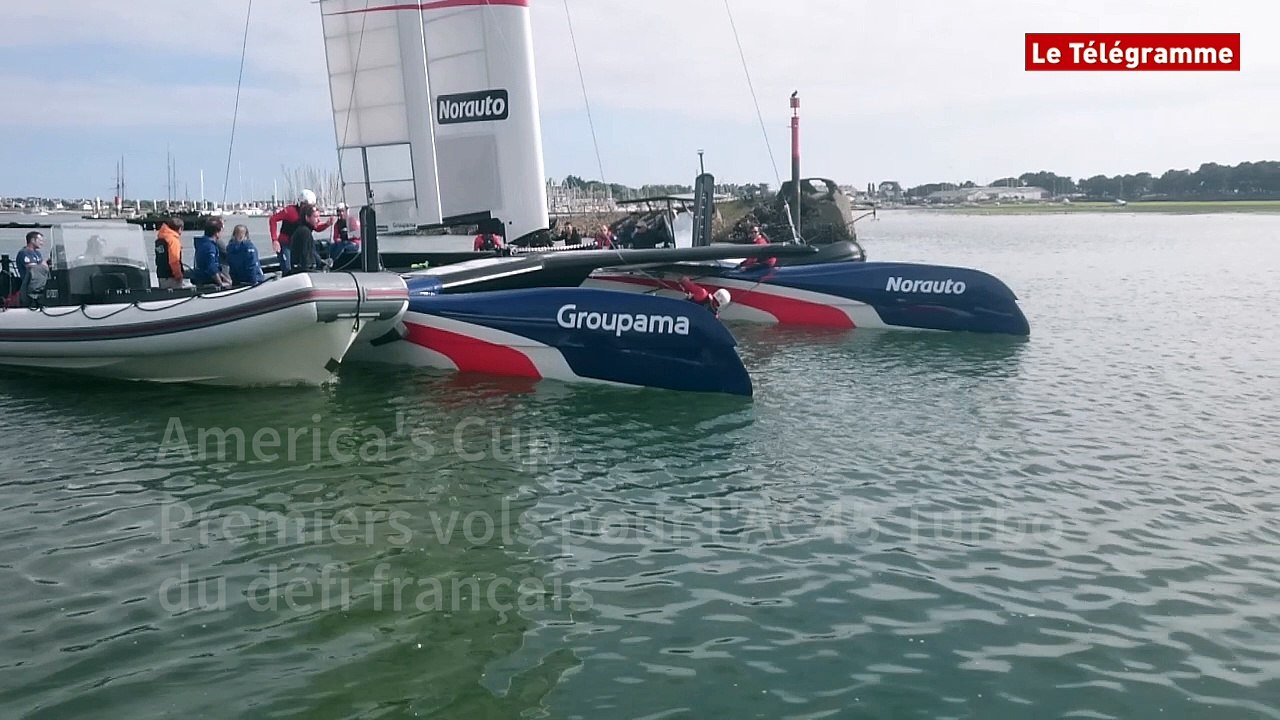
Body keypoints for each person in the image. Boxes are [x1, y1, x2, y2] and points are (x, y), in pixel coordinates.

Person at [269, 189, 332, 273]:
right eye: (308, 205)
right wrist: (275, 240)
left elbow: (316, 227)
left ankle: (321, 264)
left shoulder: (309, 216)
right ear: (302, 204)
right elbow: (273, 219)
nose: (310, 208)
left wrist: (326, 224)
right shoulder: (290, 211)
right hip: (286, 245)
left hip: (299, 245)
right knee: (287, 269)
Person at [190, 217, 229, 288]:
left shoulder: (202, 243)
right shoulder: (209, 247)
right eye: (221, 231)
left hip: (202, 279)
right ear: (217, 233)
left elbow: (216, 268)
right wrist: (221, 284)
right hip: (207, 281)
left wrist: (228, 281)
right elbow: (211, 268)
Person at [155, 217, 188, 289]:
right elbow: (174, 260)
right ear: (180, 229)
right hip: (171, 277)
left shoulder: (160, 238)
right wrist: (178, 275)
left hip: (162, 275)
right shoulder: (173, 240)